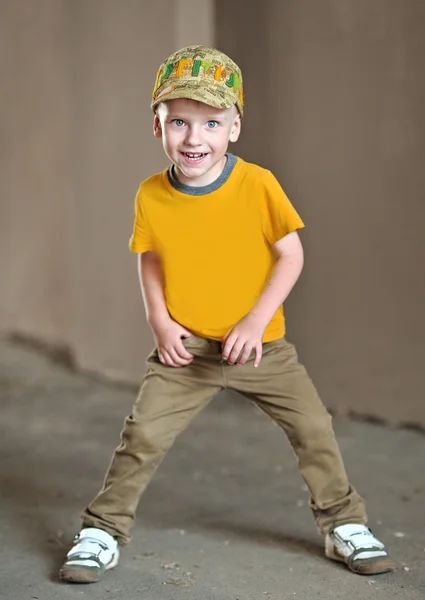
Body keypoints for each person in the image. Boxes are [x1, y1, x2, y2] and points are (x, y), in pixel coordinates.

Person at [59, 46, 395, 584]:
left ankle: (343, 524)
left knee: (313, 427)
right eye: (179, 123)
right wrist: (161, 323)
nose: (194, 138)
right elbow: (150, 258)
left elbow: (291, 255)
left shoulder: (258, 185)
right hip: (186, 349)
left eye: (212, 123)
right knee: (142, 434)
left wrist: (255, 321)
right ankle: (103, 528)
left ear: (234, 127)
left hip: (260, 348)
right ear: (158, 127)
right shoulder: (151, 195)